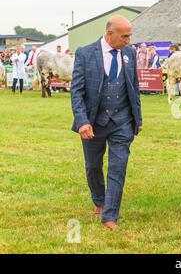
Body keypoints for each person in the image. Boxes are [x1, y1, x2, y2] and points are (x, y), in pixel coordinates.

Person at [71, 15, 143, 231]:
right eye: (125, 36)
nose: (129, 41)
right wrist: (83, 121)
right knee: (93, 166)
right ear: (110, 33)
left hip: (122, 121)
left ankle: (110, 215)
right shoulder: (85, 54)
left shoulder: (129, 53)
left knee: (117, 167)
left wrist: (137, 119)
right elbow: (77, 92)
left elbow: (134, 87)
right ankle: (99, 200)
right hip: (94, 122)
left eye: (130, 36)